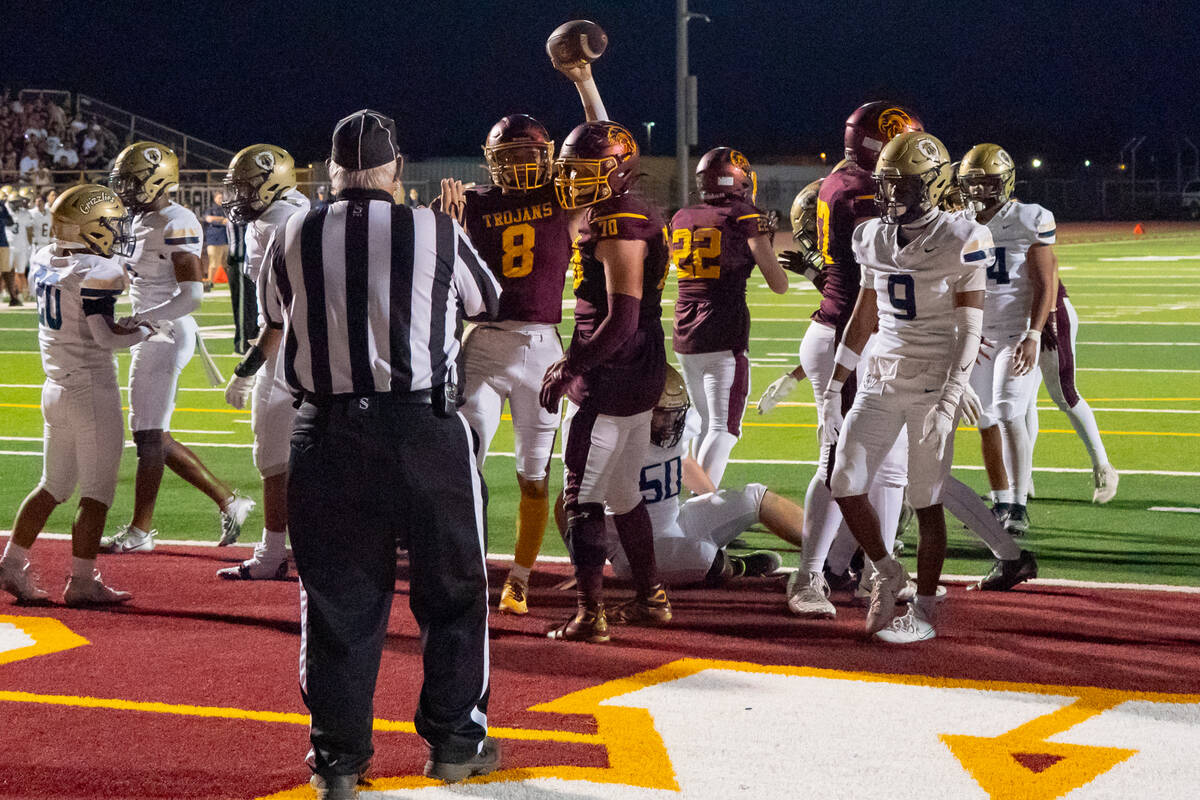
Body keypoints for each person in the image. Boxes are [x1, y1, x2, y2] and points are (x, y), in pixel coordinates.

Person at [258, 109, 501, 796]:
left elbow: (277, 316)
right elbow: (487, 300)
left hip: (327, 431)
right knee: (454, 590)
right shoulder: (433, 228)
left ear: (330, 171)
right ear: (395, 170)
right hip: (423, 425)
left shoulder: (291, 233)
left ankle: (337, 762)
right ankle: (455, 743)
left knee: (338, 598)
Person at [438, 56, 608, 617]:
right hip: (484, 342)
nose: (518, 167)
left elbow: (601, 145)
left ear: (547, 156)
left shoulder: (563, 198)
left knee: (534, 473)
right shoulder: (474, 203)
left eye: (529, 155)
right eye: (507, 158)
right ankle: (461, 560)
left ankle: (520, 576)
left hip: (539, 347)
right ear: (491, 162)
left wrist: (585, 83)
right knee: (461, 458)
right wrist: (445, 227)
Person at [826, 131, 992, 643]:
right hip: (881, 376)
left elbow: (971, 327)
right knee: (843, 483)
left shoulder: (963, 236)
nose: (893, 196)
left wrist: (951, 392)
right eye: (888, 185)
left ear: (936, 184)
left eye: (906, 186)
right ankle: (885, 569)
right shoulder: (870, 235)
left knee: (926, 500)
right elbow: (865, 312)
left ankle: (923, 607)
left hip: (932, 382)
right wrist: (836, 382)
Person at [760, 103, 923, 618]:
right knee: (839, 466)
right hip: (849, 336)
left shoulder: (848, 182)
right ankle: (809, 577)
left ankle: (878, 569)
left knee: (891, 468)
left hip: (865, 334)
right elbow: (905, 260)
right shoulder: (860, 193)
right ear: (880, 146)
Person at [0, 184, 169, 605]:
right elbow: (104, 338)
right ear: (89, 228)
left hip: (55, 386)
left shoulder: (44, 258)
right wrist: (146, 330)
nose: (116, 231)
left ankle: (11, 562)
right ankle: (81, 581)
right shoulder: (101, 270)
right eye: (109, 224)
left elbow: (86, 320)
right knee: (96, 492)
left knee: (52, 485)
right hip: (92, 389)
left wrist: (124, 326)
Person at [540, 120, 672, 643]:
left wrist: (575, 366)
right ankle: (650, 597)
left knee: (581, 493)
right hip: (635, 364)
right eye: (570, 169)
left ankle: (589, 614)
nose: (574, 179)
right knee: (621, 490)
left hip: (616, 366)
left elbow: (622, 319)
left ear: (617, 171)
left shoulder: (621, 223)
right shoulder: (619, 210)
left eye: (586, 170)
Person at [101, 142, 254, 553]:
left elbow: (192, 295)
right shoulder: (137, 220)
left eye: (133, 181)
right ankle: (229, 500)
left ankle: (140, 531)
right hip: (150, 328)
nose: (126, 189)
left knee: (149, 436)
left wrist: (146, 318)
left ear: (158, 180)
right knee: (151, 434)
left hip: (166, 330)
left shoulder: (177, 219)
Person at [578, 366, 803, 586]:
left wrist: (719, 508)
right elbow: (568, 501)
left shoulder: (674, 426)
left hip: (676, 521)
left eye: (674, 414)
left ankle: (823, 553)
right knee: (704, 556)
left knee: (754, 497)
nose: (670, 423)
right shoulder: (609, 439)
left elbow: (684, 464)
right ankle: (739, 567)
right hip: (633, 549)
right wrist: (584, 568)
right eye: (662, 415)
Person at [671, 147, 788, 489]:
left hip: (684, 333)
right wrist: (763, 241)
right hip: (723, 332)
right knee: (724, 429)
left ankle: (689, 501)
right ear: (738, 181)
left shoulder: (681, 216)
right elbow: (779, 284)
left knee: (706, 423)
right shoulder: (742, 215)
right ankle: (702, 506)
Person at [219, 144, 310, 579]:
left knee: (272, 457)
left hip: (287, 353)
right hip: (322, 350)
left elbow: (276, 319)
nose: (239, 197)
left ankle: (273, 554)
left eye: (246, 187)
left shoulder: (272, 227)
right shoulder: (300, 208)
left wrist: (245, 370)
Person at [959, 144, 1058, 535]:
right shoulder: (960, 221)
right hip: (980, 335)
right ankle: (1001, 501)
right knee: (984, 418)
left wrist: (1033, 334)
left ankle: (1018, 503)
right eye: (972, 184)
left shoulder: (1028, 219)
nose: (978, 192)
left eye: (986, 183)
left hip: (1017, 333)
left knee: (1007, 410)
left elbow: (1045, 283)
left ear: (1003, 183)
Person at [1028, 278, 1118, 502]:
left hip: (1048, 311)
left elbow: (1049, 259)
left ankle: (1103, 467)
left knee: (1064, 394)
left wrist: (1050, 310)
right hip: (1015, 317)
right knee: (1020, 402)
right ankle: (1020, 478)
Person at [202, 191, 230, 290]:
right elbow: (209, 219)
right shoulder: (211, 209)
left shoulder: (226, 209)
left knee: (227, 264)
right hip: (214, 240)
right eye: (219, 198)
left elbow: (230, 220)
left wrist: (220, 220)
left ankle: (232, 283)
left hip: (226, 239)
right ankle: (209, 283)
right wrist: (222, 219)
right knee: (213, 264)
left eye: (222, 198)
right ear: (215, 199)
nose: (221, 200)